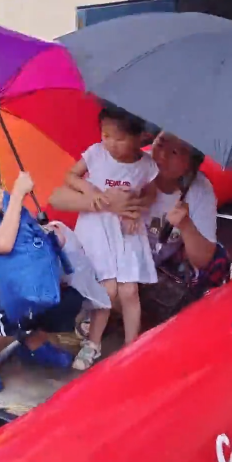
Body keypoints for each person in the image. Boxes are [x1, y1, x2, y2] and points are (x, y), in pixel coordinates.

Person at [51, 131, 230, 359]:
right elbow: (56, 198)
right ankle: (101, 318)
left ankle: (121, 334)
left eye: (174, 152)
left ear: (191, 164)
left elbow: (204, 259)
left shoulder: (198, 191)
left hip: (151, 270)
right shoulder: (131, 163)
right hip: (113, 262)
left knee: (138, 297)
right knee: (113, 290)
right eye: (160, 143)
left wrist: (186, 225)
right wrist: (103, 203)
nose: (162, 154)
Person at [0, 150, 84, 393]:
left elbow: (31, 240)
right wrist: (19, 195)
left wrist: (38, 225)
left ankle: (32, 341)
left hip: (12, 297)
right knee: (12, 302)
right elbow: (3, 243)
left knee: (66, 297)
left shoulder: (7, 211)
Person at [62, 105, 157, 369]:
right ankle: (92, 344)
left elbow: (151, 192)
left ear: (140, 137)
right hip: (97, 228)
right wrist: (89, 191)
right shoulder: (96, 153)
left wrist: (136, 207)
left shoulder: (145, 165)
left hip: (126, 231)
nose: (111, 143)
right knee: (107, 288)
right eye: (106, 135)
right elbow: (70, 176)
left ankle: (132, 346)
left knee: (129, 290)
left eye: (119, 137)